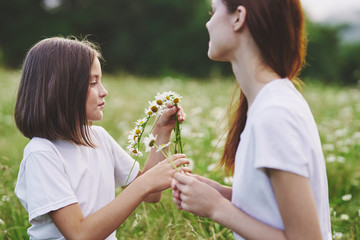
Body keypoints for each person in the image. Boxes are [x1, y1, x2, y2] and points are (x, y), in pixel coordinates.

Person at [172, 0, 332, 239]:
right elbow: (273, 210)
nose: (208, 23)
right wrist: (222, 194)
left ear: (238, 18)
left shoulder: (274, 114)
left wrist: (217, 207)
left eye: (213, 11)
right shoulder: (269, 103)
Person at [14, 36, 190, 240]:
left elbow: (151, 194)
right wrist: (146, 183)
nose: (104, 91)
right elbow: (79, 234)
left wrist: (162, 132)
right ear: (61, 90)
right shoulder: (42, 153)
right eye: (92, 83)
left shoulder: (98, 137)